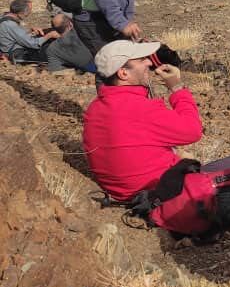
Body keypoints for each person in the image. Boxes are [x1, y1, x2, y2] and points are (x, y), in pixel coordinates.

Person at [82, 40, 202, 203]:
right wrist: (176, 88)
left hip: (124, 194)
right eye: (140, 60)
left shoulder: (94, 108)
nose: (148, 62)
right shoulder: (141, 109)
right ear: (124, 73)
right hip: (161, 193)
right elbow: (193, 131)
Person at [0, 0, 60, 64]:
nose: (30, 13)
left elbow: (14, 35)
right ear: (21, 13)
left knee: (48, 37)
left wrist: (29, 31)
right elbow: (33, 44)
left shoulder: (4, 17)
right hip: (18, 54)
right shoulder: (10, 24)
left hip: (18, 48)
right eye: (29, 11)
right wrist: (49, 35)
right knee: (54, 54)